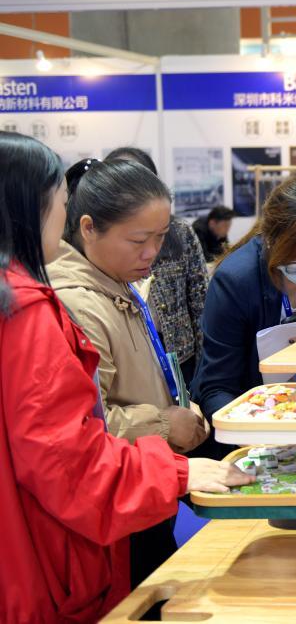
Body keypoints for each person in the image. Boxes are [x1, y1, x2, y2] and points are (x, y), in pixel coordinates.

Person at [0, 132, 252, 622]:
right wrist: (175, 470)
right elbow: (65, 461)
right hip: (51, 555)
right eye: (62, 201)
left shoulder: (50, 296)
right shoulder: (32, 312)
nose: (152, 251)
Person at [47, 156, 211, 586]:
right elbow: (86, 428)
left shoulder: (117, 281)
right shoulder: (78, 304)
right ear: (88, 228)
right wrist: (164, 424)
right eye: (138, 240)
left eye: (160, 237)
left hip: (147, 480)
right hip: (119, 499)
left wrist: (180, 408)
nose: (152, 252)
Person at [191, 172, 296, 442]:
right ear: (272, 242)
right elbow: (215, 387)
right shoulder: (236, 281)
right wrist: (254, 437)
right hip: (250, 426)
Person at [106, 147, 208, 387]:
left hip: (179, 352)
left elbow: (200, 299)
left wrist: (205, 363)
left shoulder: (180, 232)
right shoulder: (106, 239)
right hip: (129, 356)